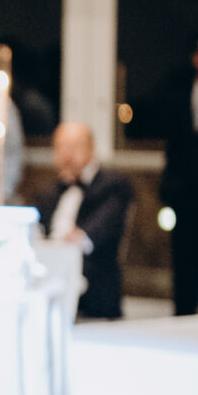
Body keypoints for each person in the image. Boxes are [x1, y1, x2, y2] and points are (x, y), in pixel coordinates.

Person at [35, 123, 133, 322]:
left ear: (91, 148)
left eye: (73, 146)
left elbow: (97, 231)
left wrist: (72, 241)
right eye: (61, 147)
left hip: (93, 285)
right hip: (46, 278)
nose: (67, 154)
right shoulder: (47, 192)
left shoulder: (113, 186)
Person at [160, 29, 198, 316]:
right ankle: (182, 319)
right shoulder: (179, 91)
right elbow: (173, 144)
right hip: (186, 195)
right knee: (184, 266)